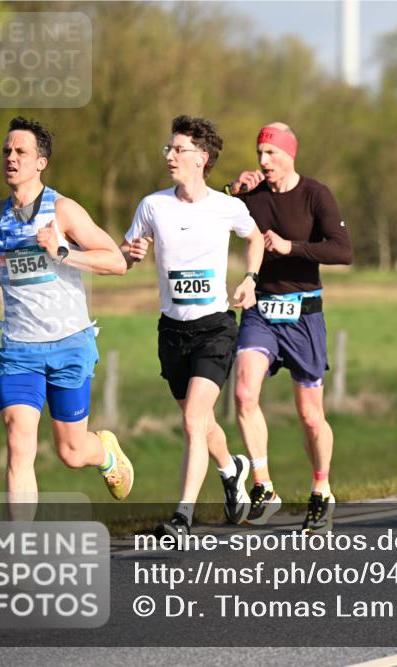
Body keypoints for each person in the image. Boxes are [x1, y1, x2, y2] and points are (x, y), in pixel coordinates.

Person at [0, 116, 132, 518]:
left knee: (71, 452)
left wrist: (62, 251)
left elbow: (116, 261)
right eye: (7, 150)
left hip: (69, 344)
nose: (11, 157)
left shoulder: (63, 210)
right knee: (18, 442)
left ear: (41, 162)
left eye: (21, 151)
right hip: (19, 349)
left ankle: (105, 452)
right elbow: (14, 270)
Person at [122, 115, 264, 537]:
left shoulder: (227, 207)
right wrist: (131, 252)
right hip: (172, 331)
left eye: (178, 149)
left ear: (201, 158)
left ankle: (182, 517)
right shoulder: (153, 205)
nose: (169, 155)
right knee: (198, 421)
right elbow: (127, 252)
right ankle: (231, 468)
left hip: (215, 329)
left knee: (192, 422)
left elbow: (255, 238)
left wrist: (250, 278)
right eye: (168, 148)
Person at [226, 122, 353, 534]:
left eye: (271, 154)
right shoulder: (251, 195)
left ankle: (321, 490)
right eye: (259, 154)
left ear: (289, 154)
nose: (264, 161)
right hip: (261, 310)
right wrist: (232, 188)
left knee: (311, 416)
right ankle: (264, 486)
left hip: (303, 314)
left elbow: (343, 251)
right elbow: (213, 207)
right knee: (244, 393)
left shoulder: (315, 194)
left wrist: (290, 247)